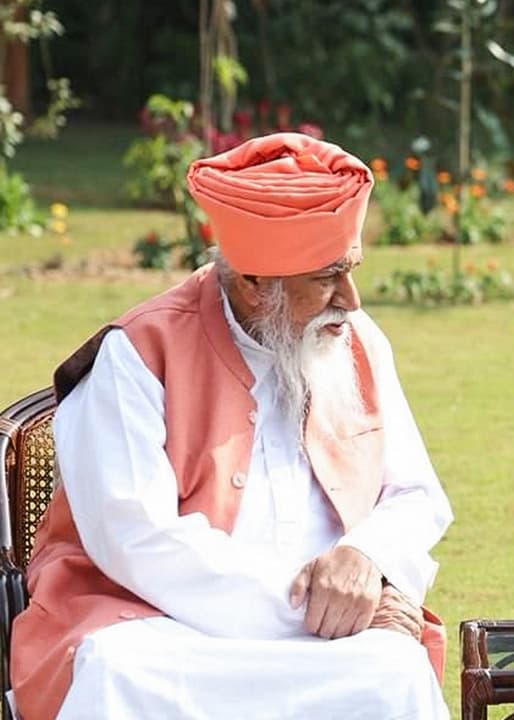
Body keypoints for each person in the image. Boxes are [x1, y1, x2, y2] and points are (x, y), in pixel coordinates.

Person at [9, 132, 454, 720]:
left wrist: (366, 558)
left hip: (336, 633)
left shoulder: (355, 341)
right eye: (327, 277)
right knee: (119, 672)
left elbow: (416, 494)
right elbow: (135, 539)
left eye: (351, 270)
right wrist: (311, 607)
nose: (350, 299)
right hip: (156, 622)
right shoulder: (137, 353)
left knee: (391, 670)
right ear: (253, 282)